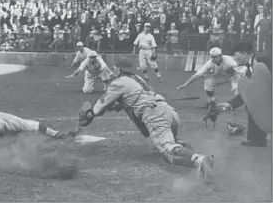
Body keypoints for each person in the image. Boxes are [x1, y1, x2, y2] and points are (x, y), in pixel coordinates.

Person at [78, 57, 214, 183]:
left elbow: (98, 108)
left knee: (168, 149)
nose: (113, 71)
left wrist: (89, 114)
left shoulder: (118, 82)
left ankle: (200, 159)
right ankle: (195, 158)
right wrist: (113, 106)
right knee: (169, 152)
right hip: (168, 111)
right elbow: (128, 101)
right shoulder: (137, 79)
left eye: (115, 68)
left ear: (120, 70)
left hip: (154, 114)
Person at [217, 42, 271, 147]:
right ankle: (257, 139)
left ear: (244, 54)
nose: (235, 59)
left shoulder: (264, 61)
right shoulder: (249, 70)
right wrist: (230, 104)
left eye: (236, 56)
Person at [176, 47, 246, 108]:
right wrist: (186, 84)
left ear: (220, 56)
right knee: (208, 82)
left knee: (238, 90)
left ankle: (247, 103)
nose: (213, 59)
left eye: (215, 57)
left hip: (235, 76)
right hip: (222, 76)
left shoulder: (230, 61)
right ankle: (211, 102)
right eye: (212, 57)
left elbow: (244, 67)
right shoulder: (210, 63)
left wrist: (237, 77)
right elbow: (197, 75)